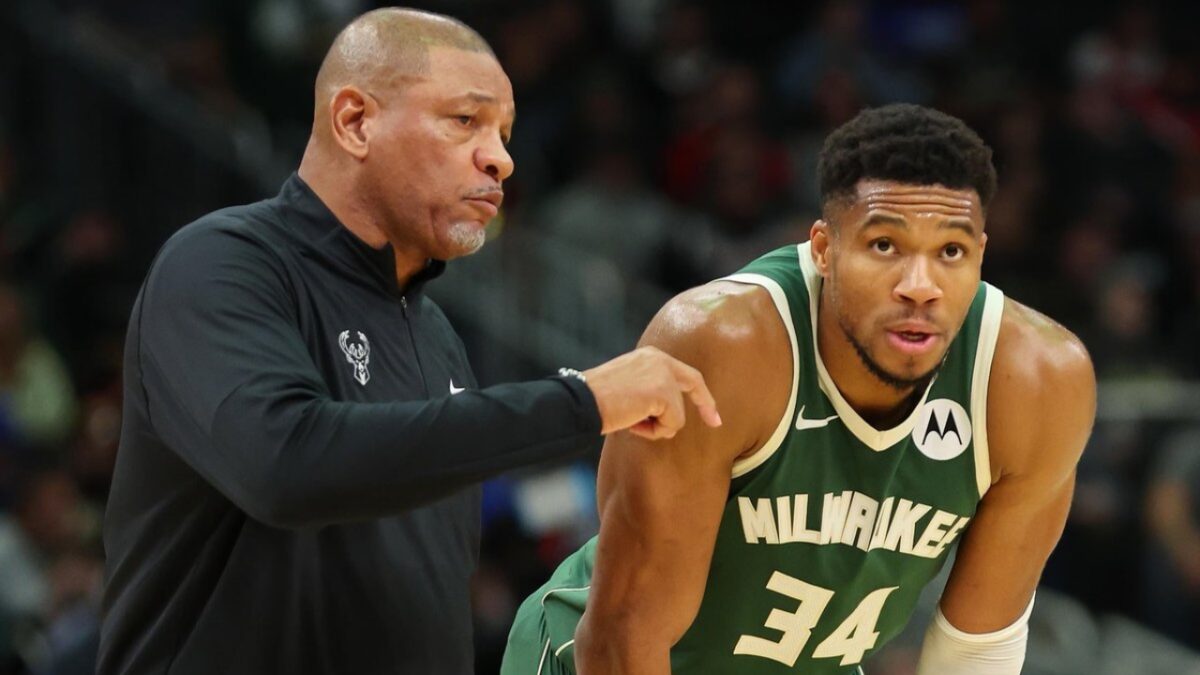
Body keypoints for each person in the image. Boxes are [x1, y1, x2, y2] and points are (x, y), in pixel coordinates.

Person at [97, 8, 720, 675]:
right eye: (465, 121)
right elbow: (286, 465)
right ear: (354, 121)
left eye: (506, 133)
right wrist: (581, 402)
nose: (501, 158)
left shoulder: (437, 337)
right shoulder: (222, 265)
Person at [502, 103, 1096, 675]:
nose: (921, 286)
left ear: (981, 256)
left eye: (951, 252)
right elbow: (623, 634)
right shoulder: (723, 346)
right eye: (885, 246)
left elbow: (975, 653)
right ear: (824, 249)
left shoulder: (1038, 381)